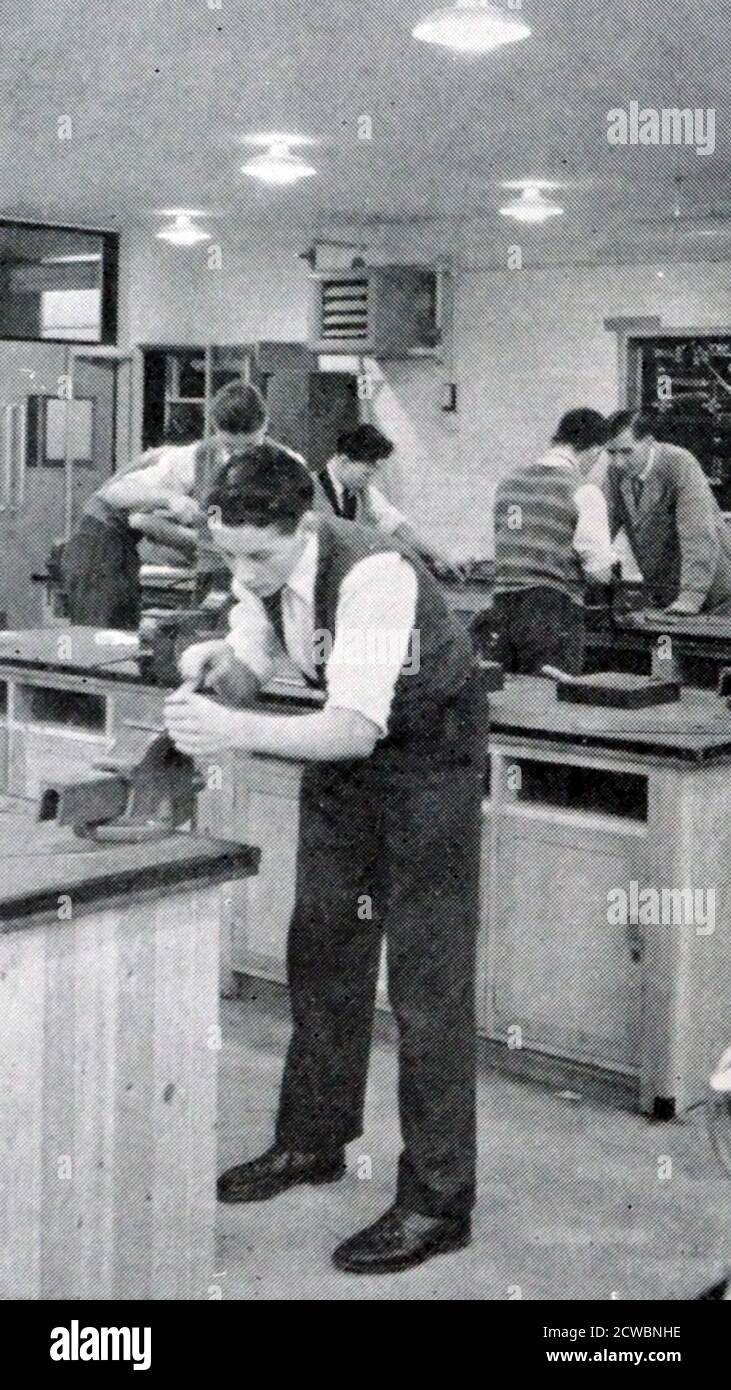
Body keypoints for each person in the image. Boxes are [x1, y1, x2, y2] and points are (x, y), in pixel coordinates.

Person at [164, 444, 485, 1276]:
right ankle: (311, 1143)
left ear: (304, 526)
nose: (244, 570)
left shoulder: (374, 572)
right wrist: (220, 670)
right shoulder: (256, 562)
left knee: (426, 987)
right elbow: (257, 662)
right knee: (323, 955)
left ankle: (436, 1203)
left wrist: (232, 733)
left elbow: (352, 725)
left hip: (426, 763)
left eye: (259, 555)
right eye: (228, 551)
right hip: (345, 767)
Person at [61, 382, 304, 627]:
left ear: (265, 425)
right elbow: (114, 493)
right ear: (215, 429)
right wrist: (169, 498)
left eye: (251, 447)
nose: (240, 456)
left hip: (270, 580)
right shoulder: (193, 457)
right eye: (229, 447)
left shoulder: (290, 464)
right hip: (215, 578)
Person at [492, 408, 615, 674]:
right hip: (552, 612)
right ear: (595, 450)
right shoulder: (584, 491)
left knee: (512, 699)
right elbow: (600, 575)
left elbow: (514, 541)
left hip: (501, 607)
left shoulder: (508, 483)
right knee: (552, 705)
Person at [603, 409, 731, 616]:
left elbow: (697, 535)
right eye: (611, 453)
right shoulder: (616, 472)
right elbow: (601, 526)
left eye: (627, 452)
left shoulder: (679, 463)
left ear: (649, 441)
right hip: (667, 592)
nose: (618, 462)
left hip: (715, 595)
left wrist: (689, 598)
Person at [313, 422, 463, 579]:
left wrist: (439, 556)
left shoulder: (364, 491)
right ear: (344, 461)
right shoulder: (307, 488)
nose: (368, 481)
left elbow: (400, 529)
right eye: (366, 474)